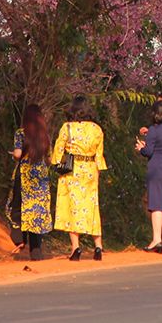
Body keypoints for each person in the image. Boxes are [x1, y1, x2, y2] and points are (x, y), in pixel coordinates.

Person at [52, 95, 107, 261]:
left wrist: (55, 163)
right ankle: (98, 247)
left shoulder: (67, 127)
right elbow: (99, 155)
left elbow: (58, 151)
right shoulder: (97, 129)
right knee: (92, 207)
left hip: (72, 170)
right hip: (90, 170)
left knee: (72, 208)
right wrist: (97, 173)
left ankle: (76, 248)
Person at [7, 104, 53, 260]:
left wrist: (14, 153)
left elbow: (18, 155)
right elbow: (49, 159)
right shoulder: (45, 136)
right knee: (37, 211)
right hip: (40, 176)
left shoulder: (21, 133)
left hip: (25, 174)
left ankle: (20, 239)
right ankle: (36, 250)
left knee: (19, 207)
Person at [136, 100, 162, 253]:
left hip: (156, 168)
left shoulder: (153, 130)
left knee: (155, 205)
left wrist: (141, 148)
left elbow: (148, 152)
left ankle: (156, 239)